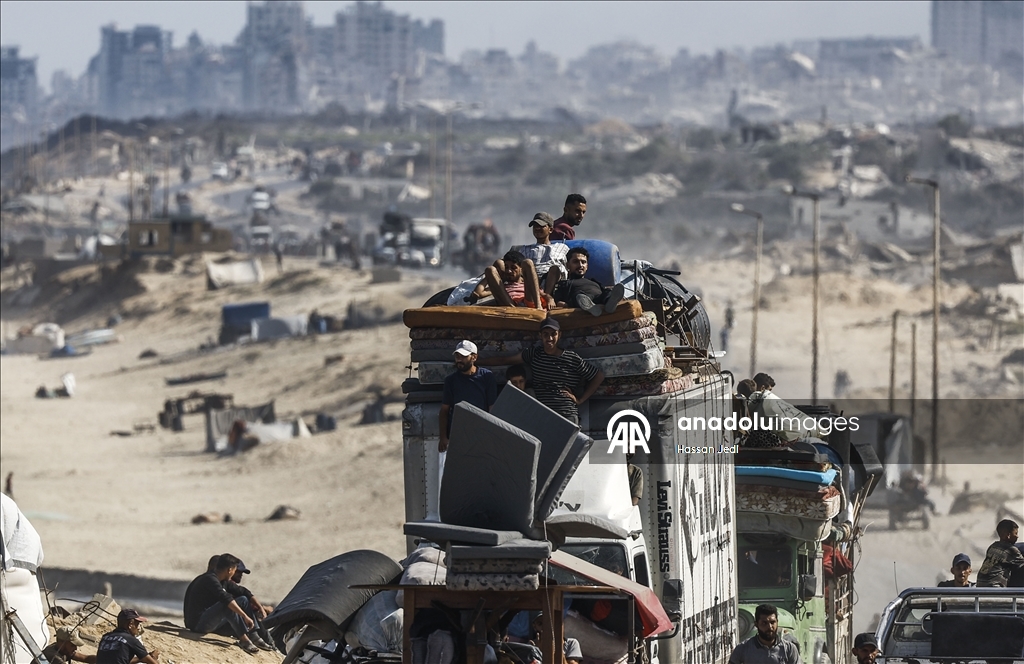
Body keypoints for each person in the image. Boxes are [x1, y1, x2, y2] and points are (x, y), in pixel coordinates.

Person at [480, 317, 603, 425]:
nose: (550, 338)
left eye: (553, 334)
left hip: (566, 413)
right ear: (540, 335)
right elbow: (504, 360)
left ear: (559, 335)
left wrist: (580, 400)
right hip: (541, 414)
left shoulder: (571, 358)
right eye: (546, 334)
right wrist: (477, 361)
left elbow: (598, 376)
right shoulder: (534, 354)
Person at [183, 553, 273, 654]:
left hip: (210, 622)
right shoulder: (209, 579)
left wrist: (260, 607)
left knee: (243, 599)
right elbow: (226, 599)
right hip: (198, 624)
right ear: (230, 570)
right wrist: (244, 616)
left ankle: (254, 636)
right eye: (235, 570)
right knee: (228, 605)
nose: (234, 573)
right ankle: (244, 640)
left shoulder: (223, 580)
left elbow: (243, 591)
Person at [438, 340, 497, 452]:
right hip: (458, 435)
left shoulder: (486, 377)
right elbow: (444, 410)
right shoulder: (451, 380)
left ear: (474, 357)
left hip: (481, 434)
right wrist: (443, 437)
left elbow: (492, 408)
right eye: (457, 356)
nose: (459, 360)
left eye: (463, 356)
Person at [507, 212, 569, 298]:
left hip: (552, 282)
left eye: (541, 226)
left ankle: (546, 296)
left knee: (555, 269)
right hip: (529, 282)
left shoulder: (561, 247)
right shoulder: (524, 249)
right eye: (535, 226)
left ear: (550, 230)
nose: (537, 228)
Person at [551, 247, 625, 316]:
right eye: (576, 262)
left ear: (587, 266)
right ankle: (590, 307)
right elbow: (558, 300)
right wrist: (564, 304)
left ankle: (609, 304)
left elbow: (604, 291)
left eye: (583, 262)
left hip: (598, 298)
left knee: (607, 292)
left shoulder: (594, 281)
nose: (580, 265)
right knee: (578, 296)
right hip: (580, 299)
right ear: (568, 265)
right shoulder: (565, 283)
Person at [728, 604, 800, 664]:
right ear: (756, 624)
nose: (770, 627)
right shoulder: (743, 648)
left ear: (777, 622)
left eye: (772, 622)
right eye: (764, 623)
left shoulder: (789, 649)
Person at [477, 250, 545, 309]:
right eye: (506, 267)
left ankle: (538, 307)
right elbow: (478, 293)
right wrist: (498, 276)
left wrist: (549, 298)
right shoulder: (502, 285)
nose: (509, 271)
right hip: (510, 305)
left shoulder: (529, 283)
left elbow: (543, 294)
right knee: (490, 269)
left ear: (521, 269)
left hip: (529, 302)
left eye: (513, 268)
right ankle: (515, 310)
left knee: (528, 262)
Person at [976, 519, 1024, 587]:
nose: (1017, 536)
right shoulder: (1011, 550)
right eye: (1015, 533)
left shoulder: (993, 546)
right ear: (1008, 535)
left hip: (980, 584)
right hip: (994, 586)